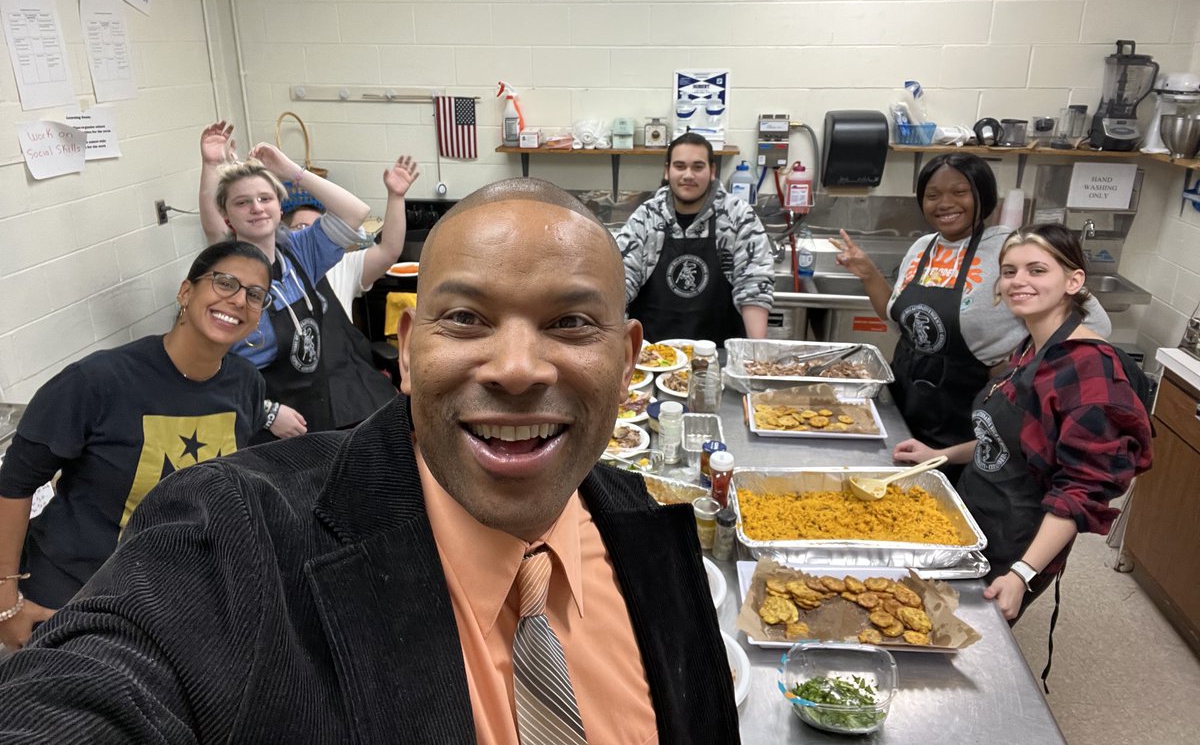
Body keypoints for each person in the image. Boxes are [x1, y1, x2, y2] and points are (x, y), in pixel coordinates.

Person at [0, 178, 739, 743]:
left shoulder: (654, 535)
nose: (517, 369)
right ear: (410, 351)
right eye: (467, 319)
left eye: (571, 322)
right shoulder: (236, 534)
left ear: (628, 357)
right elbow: (95, 689)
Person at [0, 241, 271, 648]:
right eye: (225, 282)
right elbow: (14, 483)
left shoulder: (247, 385)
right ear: (185, 292)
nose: (237, 299)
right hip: (74, 595)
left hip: (169, 595)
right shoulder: (97, 380)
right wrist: (6, 600)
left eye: (255, 294)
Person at [893, 223, 1152, 622]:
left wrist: (1022, 573)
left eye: (1037, 270)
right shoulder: (1029, 347)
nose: (1019, 281)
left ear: (1073, 280)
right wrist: (940, 454)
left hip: (1018, 541)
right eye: (1010, 271)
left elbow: (1081, 490)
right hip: (972, 517)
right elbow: (1005, 439)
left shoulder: (1091, 370)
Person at [833, 153, 1111, 466]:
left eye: (959, 192)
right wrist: (868, 272)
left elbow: (1096, 323)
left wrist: (1022, 367)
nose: (945, 203)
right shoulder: (922, 247)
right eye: (933, 195)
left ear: (984, 194)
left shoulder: (1011, 247)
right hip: (910, 397)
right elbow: (899, 319)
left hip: (968, 411)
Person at [197, 121, 398, 440]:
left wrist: (292, 171)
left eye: (266, 198)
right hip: (260, 423)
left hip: (317, 407)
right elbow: (202, 367)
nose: (256, 208)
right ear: (227, 217)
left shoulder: (299, 252)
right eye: (242, 202)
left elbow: (355, 212)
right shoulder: (225, 280)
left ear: (280, 207)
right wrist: (268, 413)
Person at [617, 132, 774, 342]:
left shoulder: (738, 216)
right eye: (680, 166)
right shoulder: (646, 217)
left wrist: (757, 352)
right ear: (667, 170)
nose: (688, 175)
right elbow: (619, 281)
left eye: (698, 167)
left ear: (712, 171)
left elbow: (754, 285)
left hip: (719, 355)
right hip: (651, 355)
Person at [281, 153, 419, 319]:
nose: (311, 237)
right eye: (301, 227)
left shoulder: (342, 267)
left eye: (317, 230)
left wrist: (396, 197)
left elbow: (389, 250)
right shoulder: (278, 277)